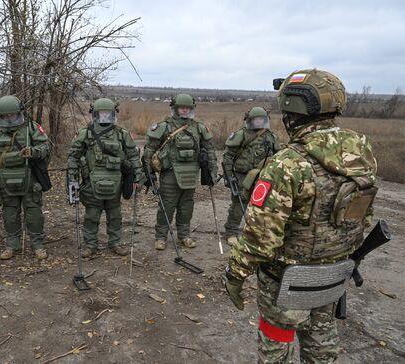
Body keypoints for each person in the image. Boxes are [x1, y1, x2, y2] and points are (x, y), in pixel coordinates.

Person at [224, 69, 378, 363]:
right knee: (322, 344)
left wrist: (235, 274)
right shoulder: (362, 152)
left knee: (277, 345)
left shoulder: (287, 163)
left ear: (292, 109)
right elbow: (362, 215)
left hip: (286, 284)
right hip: (334, 275)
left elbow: (260, 239)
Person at [66, 98, 144, 258]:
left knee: (115, 215)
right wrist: (73, 180)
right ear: (94, 114)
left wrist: (138, 175)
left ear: (113, 114)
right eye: (101, 114)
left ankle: (115, 242)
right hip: (91, 183)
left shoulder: (122, 134)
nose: (104, 117)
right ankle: (90, 244)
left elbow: (133, 156)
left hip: (116, 183)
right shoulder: (85, 133)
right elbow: (73, 157)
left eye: (107, 114)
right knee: (91, 216)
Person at [0, 95, 51, 261]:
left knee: (34, 213)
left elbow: (45, 147)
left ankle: (37, 244)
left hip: (30, 178)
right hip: (4, 179)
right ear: (0, 114)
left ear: (19, 112)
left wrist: (34, 152)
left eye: (13, 115)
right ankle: (12, 244)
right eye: (6, 116)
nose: (10, 119)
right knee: (9, 213)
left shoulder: (31, 127)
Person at [142, 94, 218, 250]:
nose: (185, 111)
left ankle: (184, 235)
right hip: (170, 173)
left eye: (188, 108)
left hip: (191, 173)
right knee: (167, 205)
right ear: (175, 109)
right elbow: (149, 151)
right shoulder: (164, 127)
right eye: (182, 108)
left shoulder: (199, 128)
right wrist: (148, 174)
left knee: (186, 206)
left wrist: (212, 172)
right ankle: (161, 237)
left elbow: (210, 150)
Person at [221, 106, 280, 238]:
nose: (258, 122)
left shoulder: (271, 137)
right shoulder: (242, 134)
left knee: (262, 204)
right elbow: (228, 156)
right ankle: (231, 232)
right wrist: (228, 176)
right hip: (242, 176)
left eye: (261, 119)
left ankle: (257, 232)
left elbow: (277, 157)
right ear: (250, 120)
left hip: (263, 177)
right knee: (238, 204)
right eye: (256, 119)